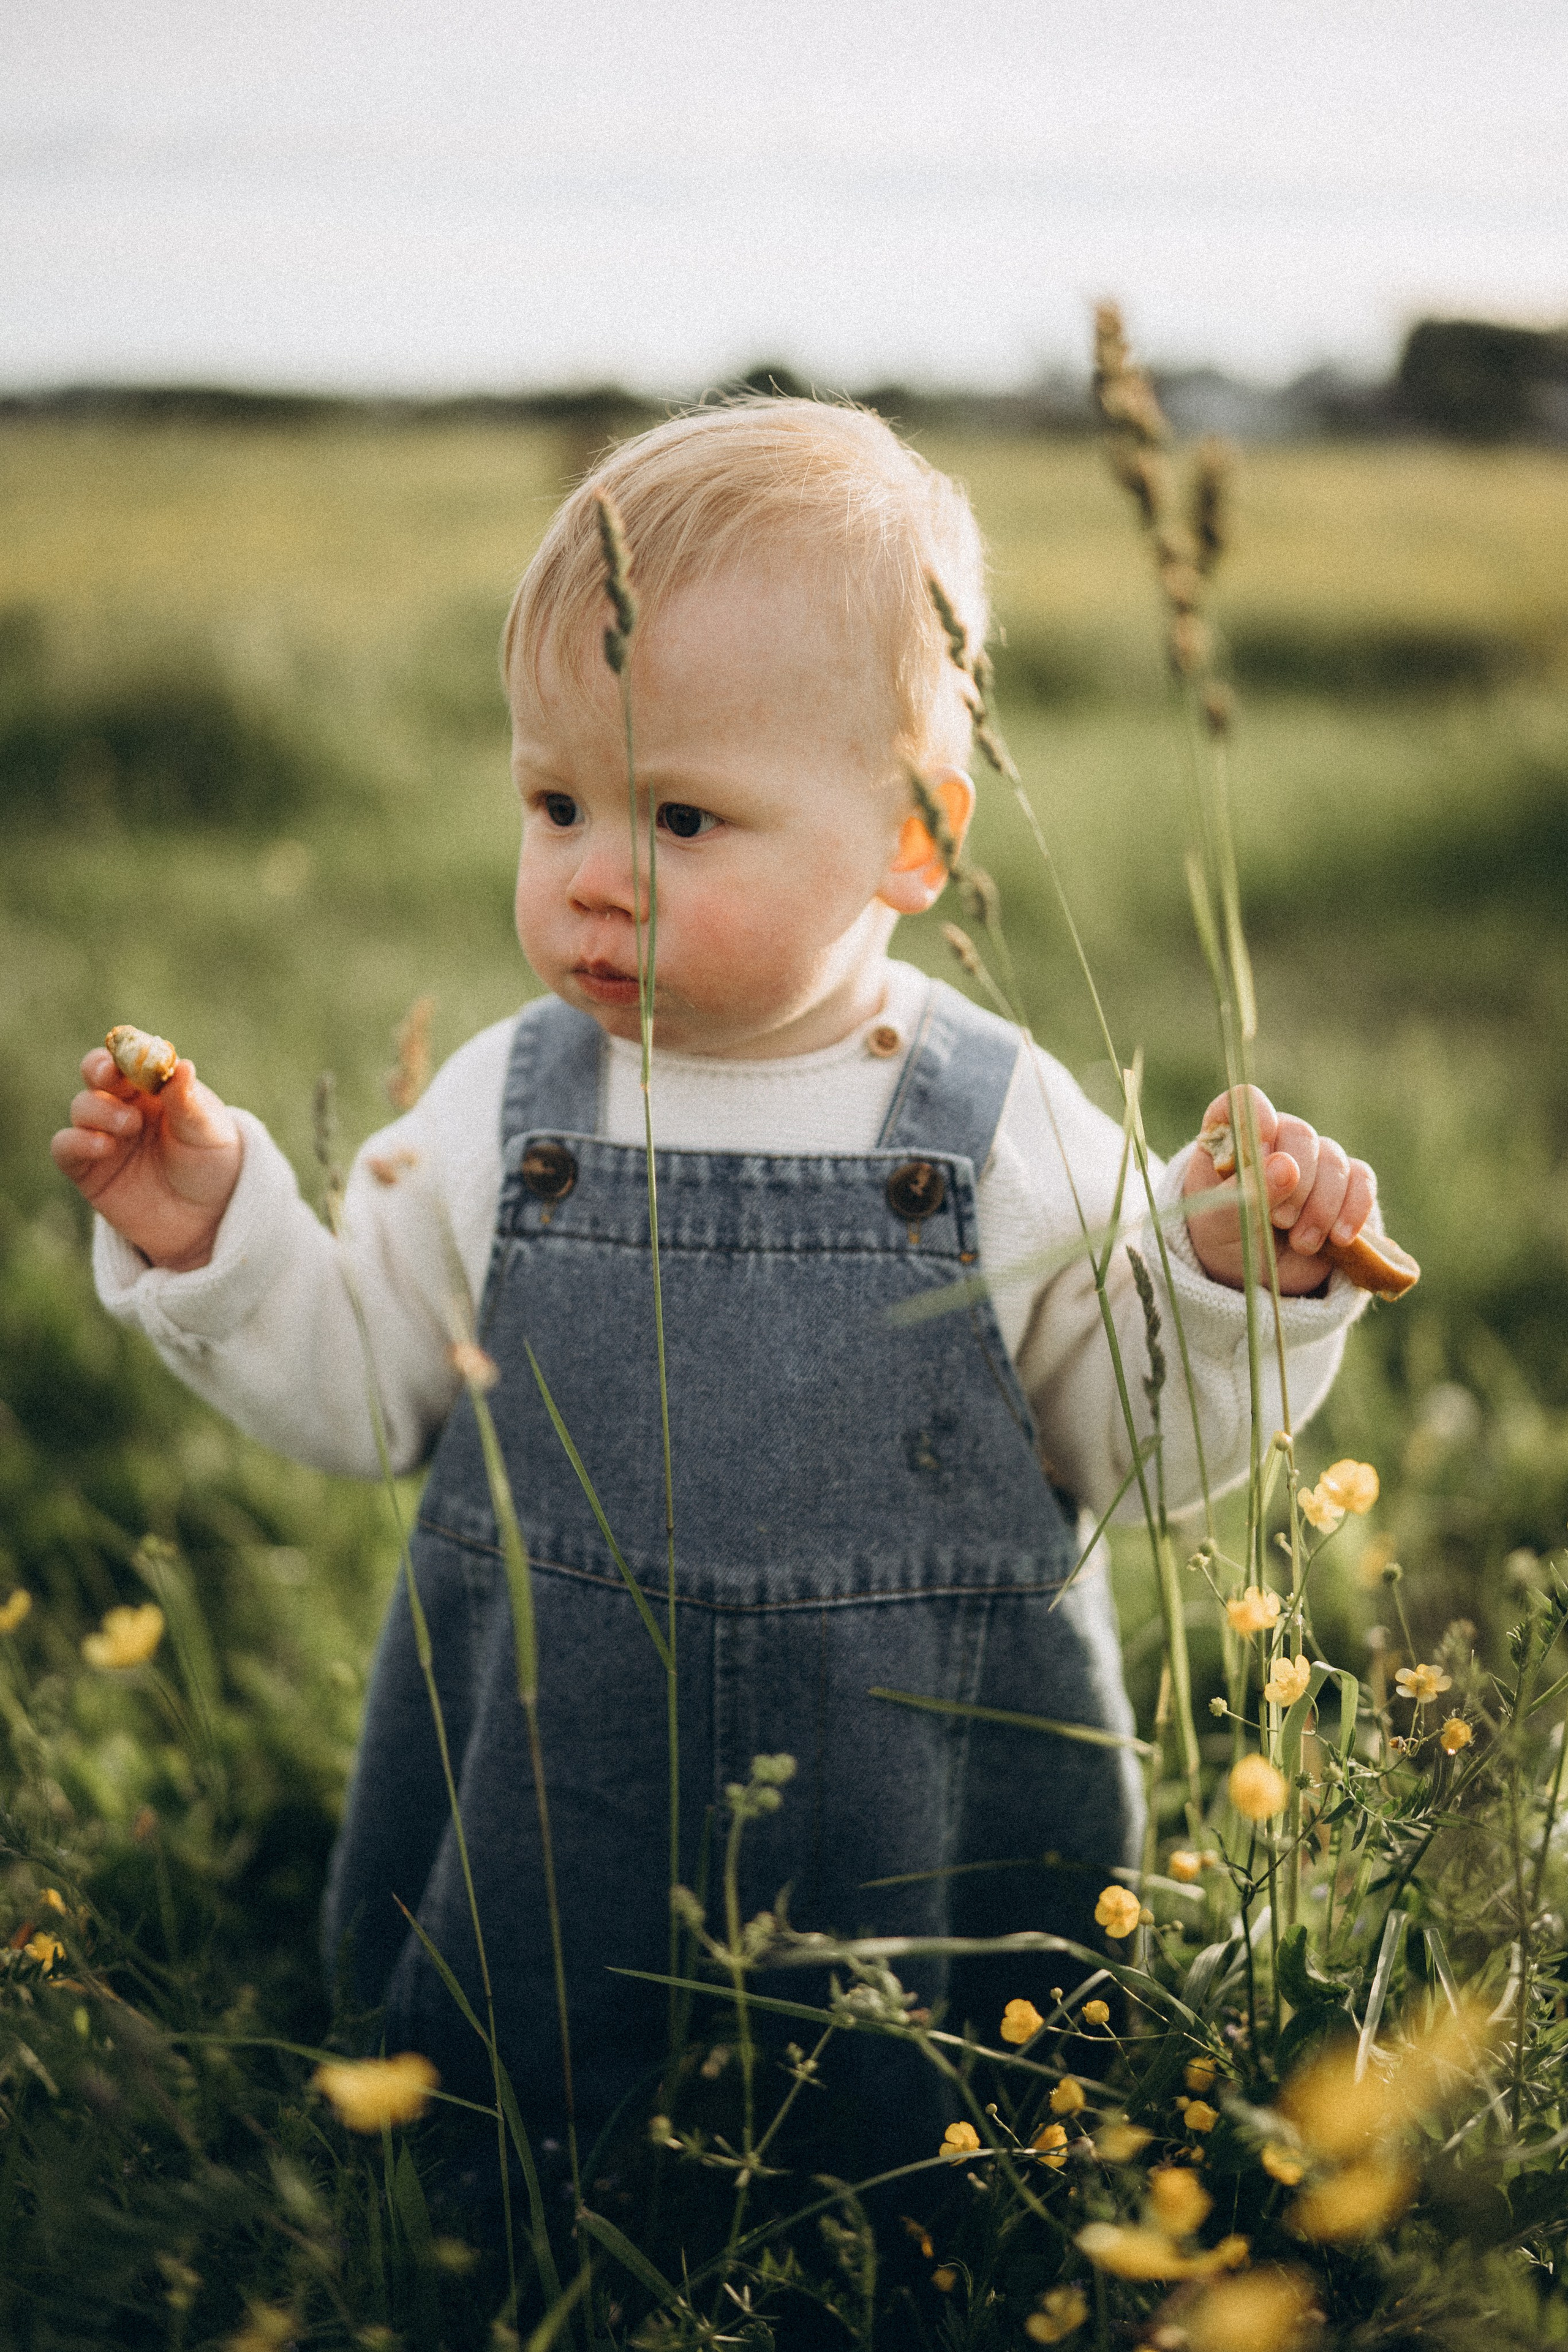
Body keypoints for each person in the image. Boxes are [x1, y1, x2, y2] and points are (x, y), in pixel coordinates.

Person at [53, 399, 1378, 2158]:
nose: (593, 879)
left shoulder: (992, 1124)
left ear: (916, 838)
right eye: (555, 802)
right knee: (513, 2125)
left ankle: (939, 2167)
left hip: (912, 1827)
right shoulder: (509, 1107)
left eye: (681, 817)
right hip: (555, 1812)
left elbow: (1140, 1444)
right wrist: (219, 1233)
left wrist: (1218, 1280)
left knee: (922, 2123)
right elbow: (371, 1385)